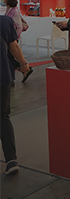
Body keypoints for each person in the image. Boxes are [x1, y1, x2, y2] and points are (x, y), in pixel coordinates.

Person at [0, 15, 30, 175]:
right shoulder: (5, 21)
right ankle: (11, 160)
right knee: (3, 117)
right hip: (3, 75)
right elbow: (14, 46)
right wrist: (24, 64)